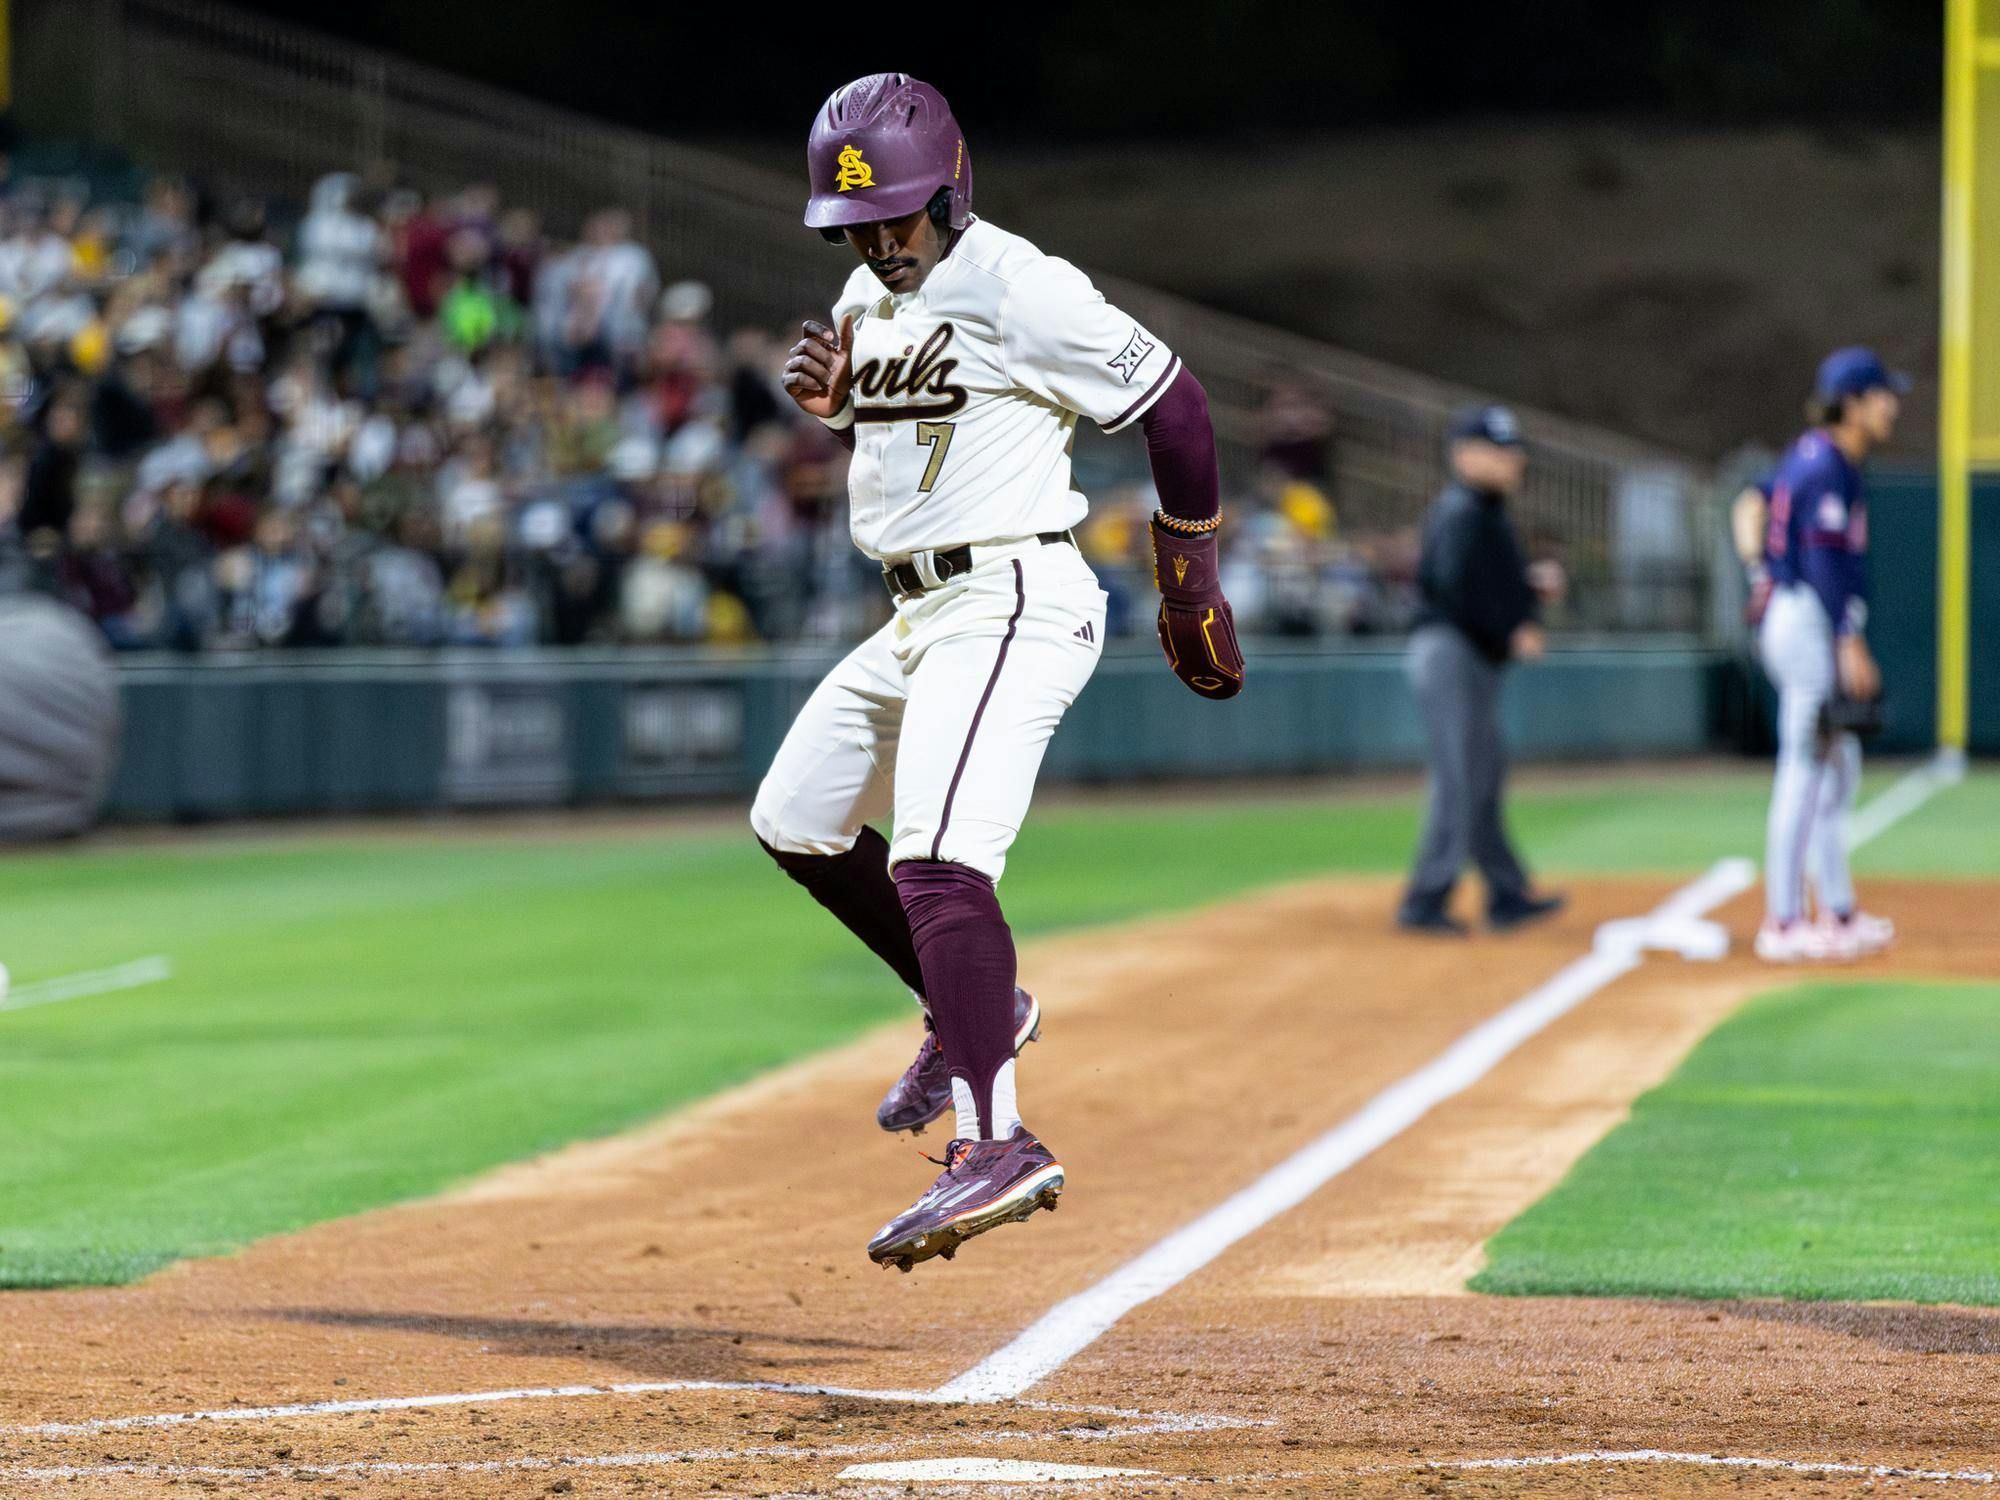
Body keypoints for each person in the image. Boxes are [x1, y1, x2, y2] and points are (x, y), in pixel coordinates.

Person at [752, 73, 1243, 1272]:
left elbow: (1174, 408)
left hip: (1011, 594)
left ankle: (998, 1141)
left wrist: (1187, 568)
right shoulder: (869, 289)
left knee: (933, 859)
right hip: (917, 608)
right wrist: (837, 411)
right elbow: (927, 428)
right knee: (797, 818)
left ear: (951, 184)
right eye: (855, 223)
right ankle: (972, 1009)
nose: (878, 238)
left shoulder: (1020, 284)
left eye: (897, 215)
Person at [1752, 348, 1902, 963]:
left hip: (1806, 616)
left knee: (1838, 772)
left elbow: (1754, 500)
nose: (1892, 405)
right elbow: (1820, 562)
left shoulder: (1818, 458)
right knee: (1806, 767)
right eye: (1883, 394)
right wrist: (1849, 639)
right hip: (1810, 620)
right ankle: (1783, 921)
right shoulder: (1826, 465)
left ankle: (1837, 913)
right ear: (1855, 401)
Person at [1396, 405, 1564, 935]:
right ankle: (1426, 897)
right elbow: (1453, 589)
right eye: (1500, 451)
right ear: (1465, 454)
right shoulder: (1461, 511)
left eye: (1513, 451)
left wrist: (1527, 594)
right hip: (1450, 651)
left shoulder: (1483, 510)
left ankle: (1506, 892)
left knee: (1482, 773)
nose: (1512, 461)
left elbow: (1488, 582)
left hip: (1467, 652)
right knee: (1460, 777)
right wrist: (1512, 625)